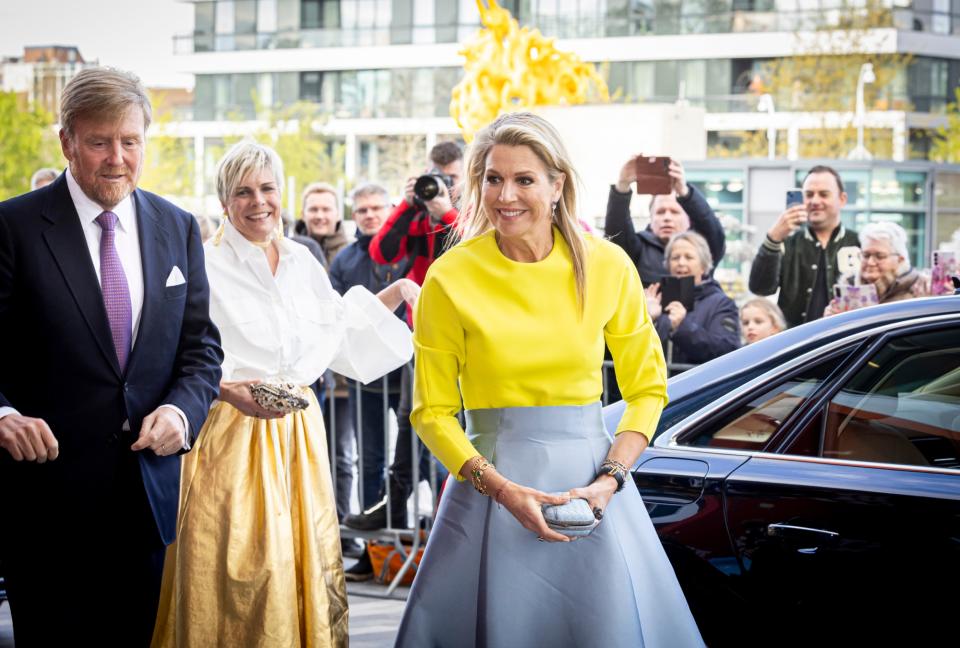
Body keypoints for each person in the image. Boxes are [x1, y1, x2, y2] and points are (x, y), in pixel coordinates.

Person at [394, 112, 703, 647]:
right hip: (488, 491)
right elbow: (431, 412)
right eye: (493, 179)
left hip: (594, 493)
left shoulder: (608, 265)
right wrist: (502, 489)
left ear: (557, 185)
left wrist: (609, 481)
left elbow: (648, 389)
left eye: (524, 179)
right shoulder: (450, 275)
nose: (505, 195)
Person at [152, 140, 415, 647]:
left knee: (301, 561)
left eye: (267, 188)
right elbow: (175, 353)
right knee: (238, 568)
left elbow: (338, 331)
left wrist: (399, 292)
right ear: (224, 201)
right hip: (230, 438)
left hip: (299, 433)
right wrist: (226, 391)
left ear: (282, 193)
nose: (258, 202)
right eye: (243, 192)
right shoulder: (202, 263)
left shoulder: (301, 261)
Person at [0, 67, 223, 646]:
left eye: (130, 142)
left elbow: (200, 349)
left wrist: (181, 414)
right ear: (67, 142)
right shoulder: (12, 227)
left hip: (145, 502)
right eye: (100, 142)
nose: (117, 158)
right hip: (45, 504)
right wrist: (2, 417)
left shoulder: (177, 228)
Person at [328, 182, 409, 569]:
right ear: (354, 215)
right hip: (367, 382)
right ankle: (372, 553)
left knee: (416, 461)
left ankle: (411, 542)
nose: (370, 215)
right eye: (362, 210)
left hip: (408, 377)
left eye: (378, 208)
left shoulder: (408, 248)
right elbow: (339, 320)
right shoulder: (344, 261)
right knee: (370, 460)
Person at [749, 165, 860, 328]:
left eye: (824, 194)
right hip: (797, 346)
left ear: (842, 199)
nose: (815, 201)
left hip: (846, 343)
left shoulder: (859, 243)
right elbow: (760, 288)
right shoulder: (787, 242)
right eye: (809, 195)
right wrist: (773, 237)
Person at [605, 154, 725, 286]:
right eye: (660, 212)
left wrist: (685, 192)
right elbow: (616, 233)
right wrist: (622, 186)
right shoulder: (639, 249)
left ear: (688, 218)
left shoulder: (702, 246)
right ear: (651, 218)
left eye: (674, 212)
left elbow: (713, 231)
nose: (667, 218)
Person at [369, 140, 463, 293]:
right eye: (438, 177)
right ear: (426, 173)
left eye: (452, 177)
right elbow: (380, 255)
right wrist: (406, 204)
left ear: (465, 177)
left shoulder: (473, 211)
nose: (445, 184)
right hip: (417, 308)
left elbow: (479, 251)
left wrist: (447, 214)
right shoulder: (416, 212)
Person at [645, 231, 741, 366]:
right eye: (675, 257)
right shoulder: (657, 300)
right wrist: (649, 319)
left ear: (703, 266)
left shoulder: (722, 303)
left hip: (699, 385)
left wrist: (682, 327)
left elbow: (727, 350)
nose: (681, 262)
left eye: (689, 257)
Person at [824, 221, 930, 315]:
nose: (870, 262)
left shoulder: (922, 290)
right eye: (866, 255)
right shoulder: (848, 287)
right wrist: (830, 319)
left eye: (879, 256)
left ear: (900, 259)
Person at [302, 181, 352, 267]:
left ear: (338, 214)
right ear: (302, 215)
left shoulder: (352, 254)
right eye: (313, 209)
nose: (319, 216)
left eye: (326, 209)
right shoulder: (287, 251)